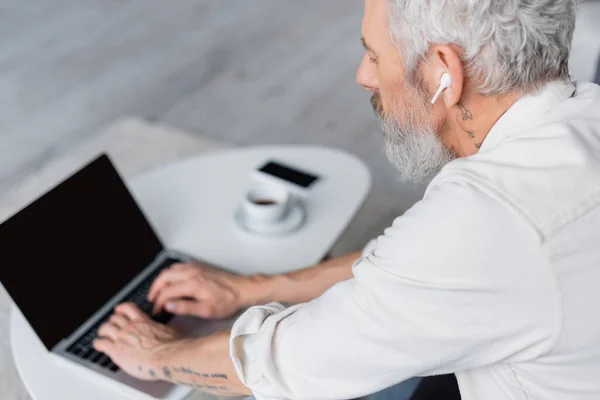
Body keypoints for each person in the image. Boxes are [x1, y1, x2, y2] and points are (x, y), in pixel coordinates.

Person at [92, 0, 600, 399]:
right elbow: (414, 270)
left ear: (445, 70)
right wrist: (249, 289)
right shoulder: (585, 117)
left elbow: (290, 364)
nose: (364, 75)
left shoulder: (489, 217)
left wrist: (157, 354)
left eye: (375, 54)